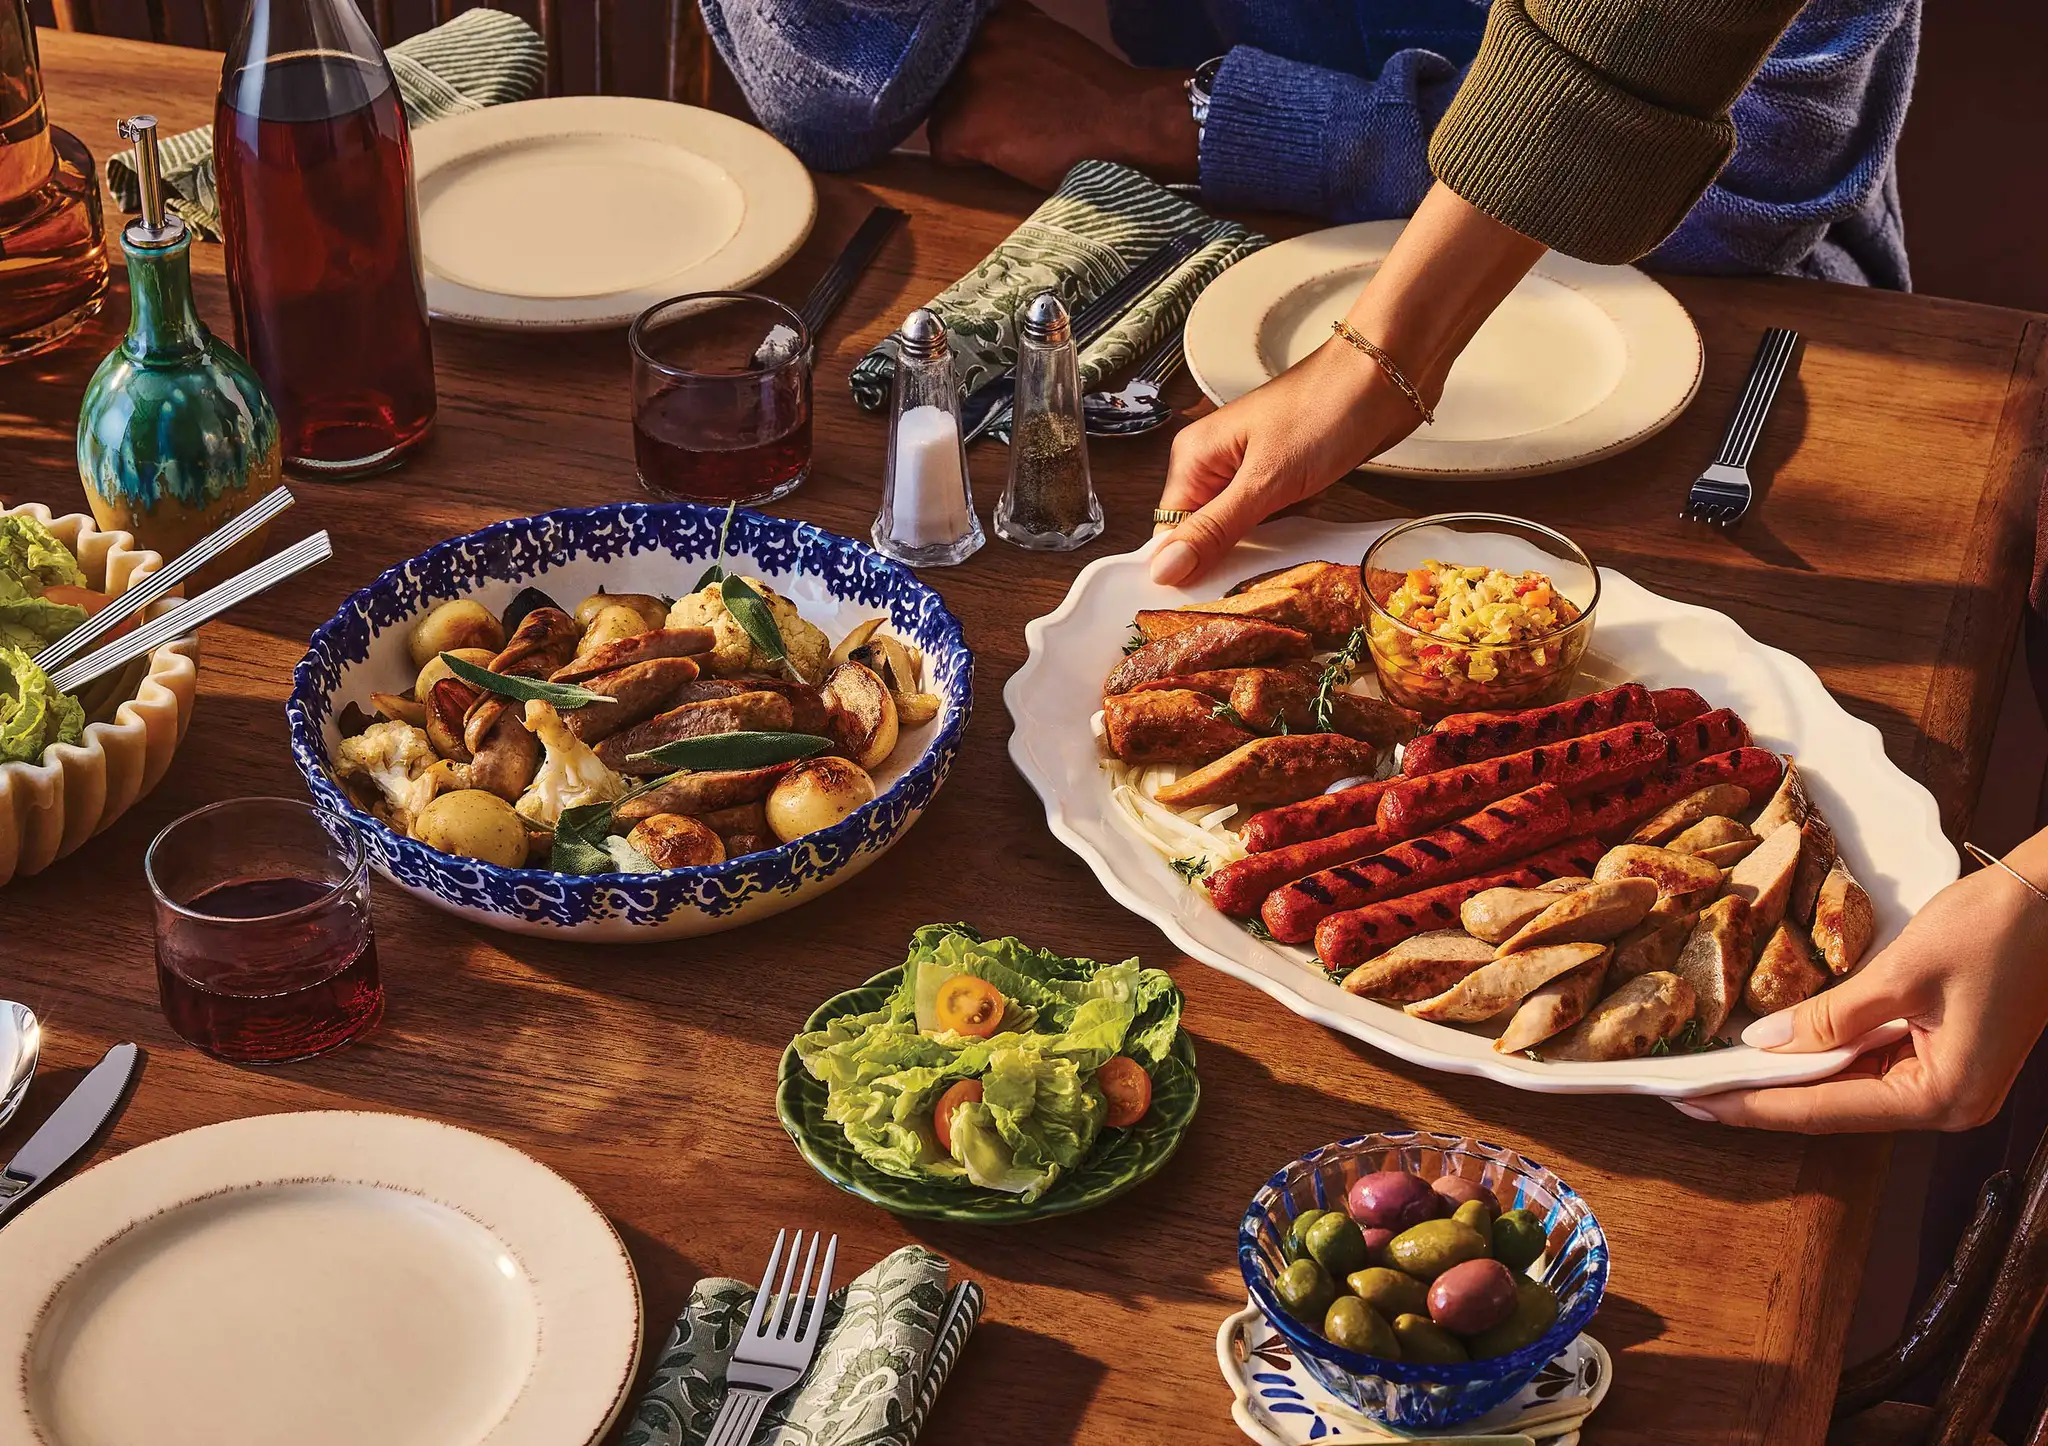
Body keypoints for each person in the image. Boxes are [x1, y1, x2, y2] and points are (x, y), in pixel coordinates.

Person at [702, 0, 1917, 289]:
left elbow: (1736, 189)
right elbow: (825, 82)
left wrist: (1171, 117)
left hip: (1708, 333)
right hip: (1175, 288)